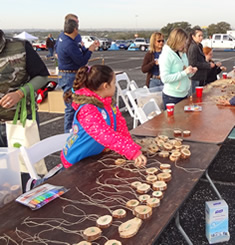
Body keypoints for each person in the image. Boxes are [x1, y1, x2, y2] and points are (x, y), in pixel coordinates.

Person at [61, 65, 147, 168]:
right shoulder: (87, 109)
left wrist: (131, 146)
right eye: (114, 83)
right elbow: (104, 134)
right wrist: (131, 151)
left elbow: (120, 126)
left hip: (93, 156)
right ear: (105, 86)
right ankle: (39, 182)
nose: (115, 86)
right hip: (76, 160)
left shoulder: (108, 103)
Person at [0, 29, 49, 190]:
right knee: (4, 176)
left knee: (26, 170)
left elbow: (42, 76)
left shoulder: (20, 47)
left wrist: (20, 93)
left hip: (19, 119)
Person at [56, 17, 99, 133]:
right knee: (71, 106)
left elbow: (79, 52)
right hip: (69, 75)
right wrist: (90, 50)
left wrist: (88, 48)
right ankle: (68, 134)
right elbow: (81, 61)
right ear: (75, 29)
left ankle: (75, 131)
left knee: (75, 105)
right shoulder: (68, 44)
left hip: (68, 74)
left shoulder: (64, 38)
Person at [158, 28, 197, 109]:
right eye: (183, 42)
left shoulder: (182, 53)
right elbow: (165, 78)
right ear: (176, 41)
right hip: (171, 97)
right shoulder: (166, 55)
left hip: (184, 94)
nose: (184, 45)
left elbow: (184, 71)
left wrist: (191, 72)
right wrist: (184, 73)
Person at [186, 27, 213, 93]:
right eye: (199, 36)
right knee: (195, 96)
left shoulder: (199, 45)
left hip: (200, 76)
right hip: (195, 77)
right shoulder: (193, 47)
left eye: (202, 36)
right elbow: (193, 63)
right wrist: (208, 65)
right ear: (193, 36)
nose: (201, 37)